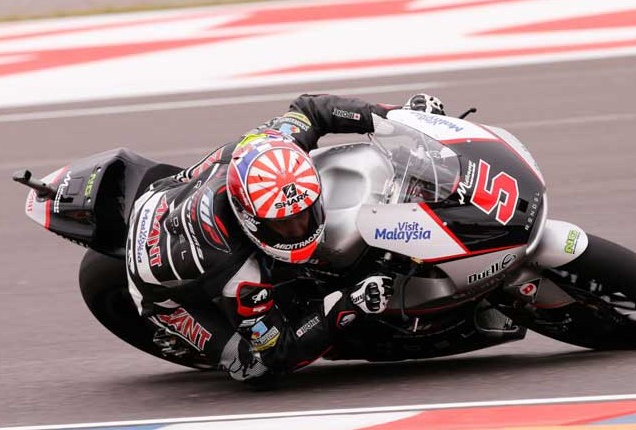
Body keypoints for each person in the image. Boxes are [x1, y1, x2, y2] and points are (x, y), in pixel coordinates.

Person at [125, 93, 446, 384]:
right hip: (159, 293)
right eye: (285, 224)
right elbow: (279, 352)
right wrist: (350, 303)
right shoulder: (238, 273)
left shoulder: (273, 144)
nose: (299, 228)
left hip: (165, 192)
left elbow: (312, 109)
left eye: (304, 213)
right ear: (251, 220)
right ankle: (179, 327)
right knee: (254, 367)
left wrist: (398, 118)